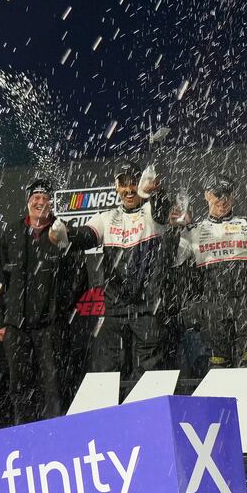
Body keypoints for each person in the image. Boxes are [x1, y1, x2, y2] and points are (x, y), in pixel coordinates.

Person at [60, 162, 186, 380]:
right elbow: (85, 237)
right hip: (115, 309)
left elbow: (162, 208)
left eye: (133, 183)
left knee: (148, 375)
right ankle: (110, 414)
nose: (129, 189)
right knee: (107, 372)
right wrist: (64, 234)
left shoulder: (151, 211)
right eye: (123, 184)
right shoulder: (106, 218)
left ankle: (147, 414)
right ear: (116, 187)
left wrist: (154, 191)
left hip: (147, 307)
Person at [0, 178, 85, 423]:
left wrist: (60, 309)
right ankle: (22, 433)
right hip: (16, 325)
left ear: (52, 203)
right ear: (28, 201)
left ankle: (55, 435)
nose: (40, 202)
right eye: (36, 198)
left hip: (50, 325)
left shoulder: (61, 230)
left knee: (53, 383)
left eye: (45, 198)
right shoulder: (12, 233)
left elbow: (80, 276)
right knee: (19, 385)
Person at [178, 177, 247, 369]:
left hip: (246, 304)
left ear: (234, 197)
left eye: (227, 194)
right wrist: (178, 230)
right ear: (207, 195)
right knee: (217, 365)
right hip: (212, 306)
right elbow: (175, 262)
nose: (222, 199)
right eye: (217, 194)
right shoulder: (193, 231)